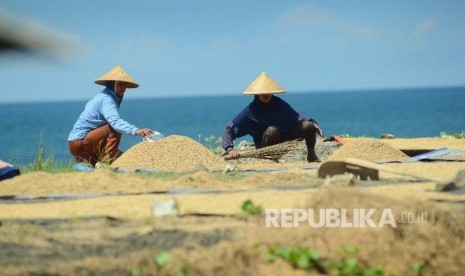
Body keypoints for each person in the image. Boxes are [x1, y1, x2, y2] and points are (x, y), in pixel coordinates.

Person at [222, 72, 324, 162]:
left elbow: (297, 118)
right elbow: (229, 128)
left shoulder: (279, 104)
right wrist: (230, 149)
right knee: (272, 130)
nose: (266, 94)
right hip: (265, 148)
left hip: (284, 142)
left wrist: (312, 123)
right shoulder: (250, 111)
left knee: (308, 125)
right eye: (263, 92)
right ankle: (272, 160)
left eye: (269, 91)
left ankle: (311, 156)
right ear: (257, 93)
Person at [68, 65, 154, 166]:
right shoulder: (107, 99)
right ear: (112, 84)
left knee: (121, 158)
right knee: (114, 129)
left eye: (125, 84)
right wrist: (136, 130)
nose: (123, 88)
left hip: (79, 144)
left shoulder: (104, 96)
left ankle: (87, 162)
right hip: (80, 143)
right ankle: (106, 164)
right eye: (120, 84)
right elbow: (115, 123)